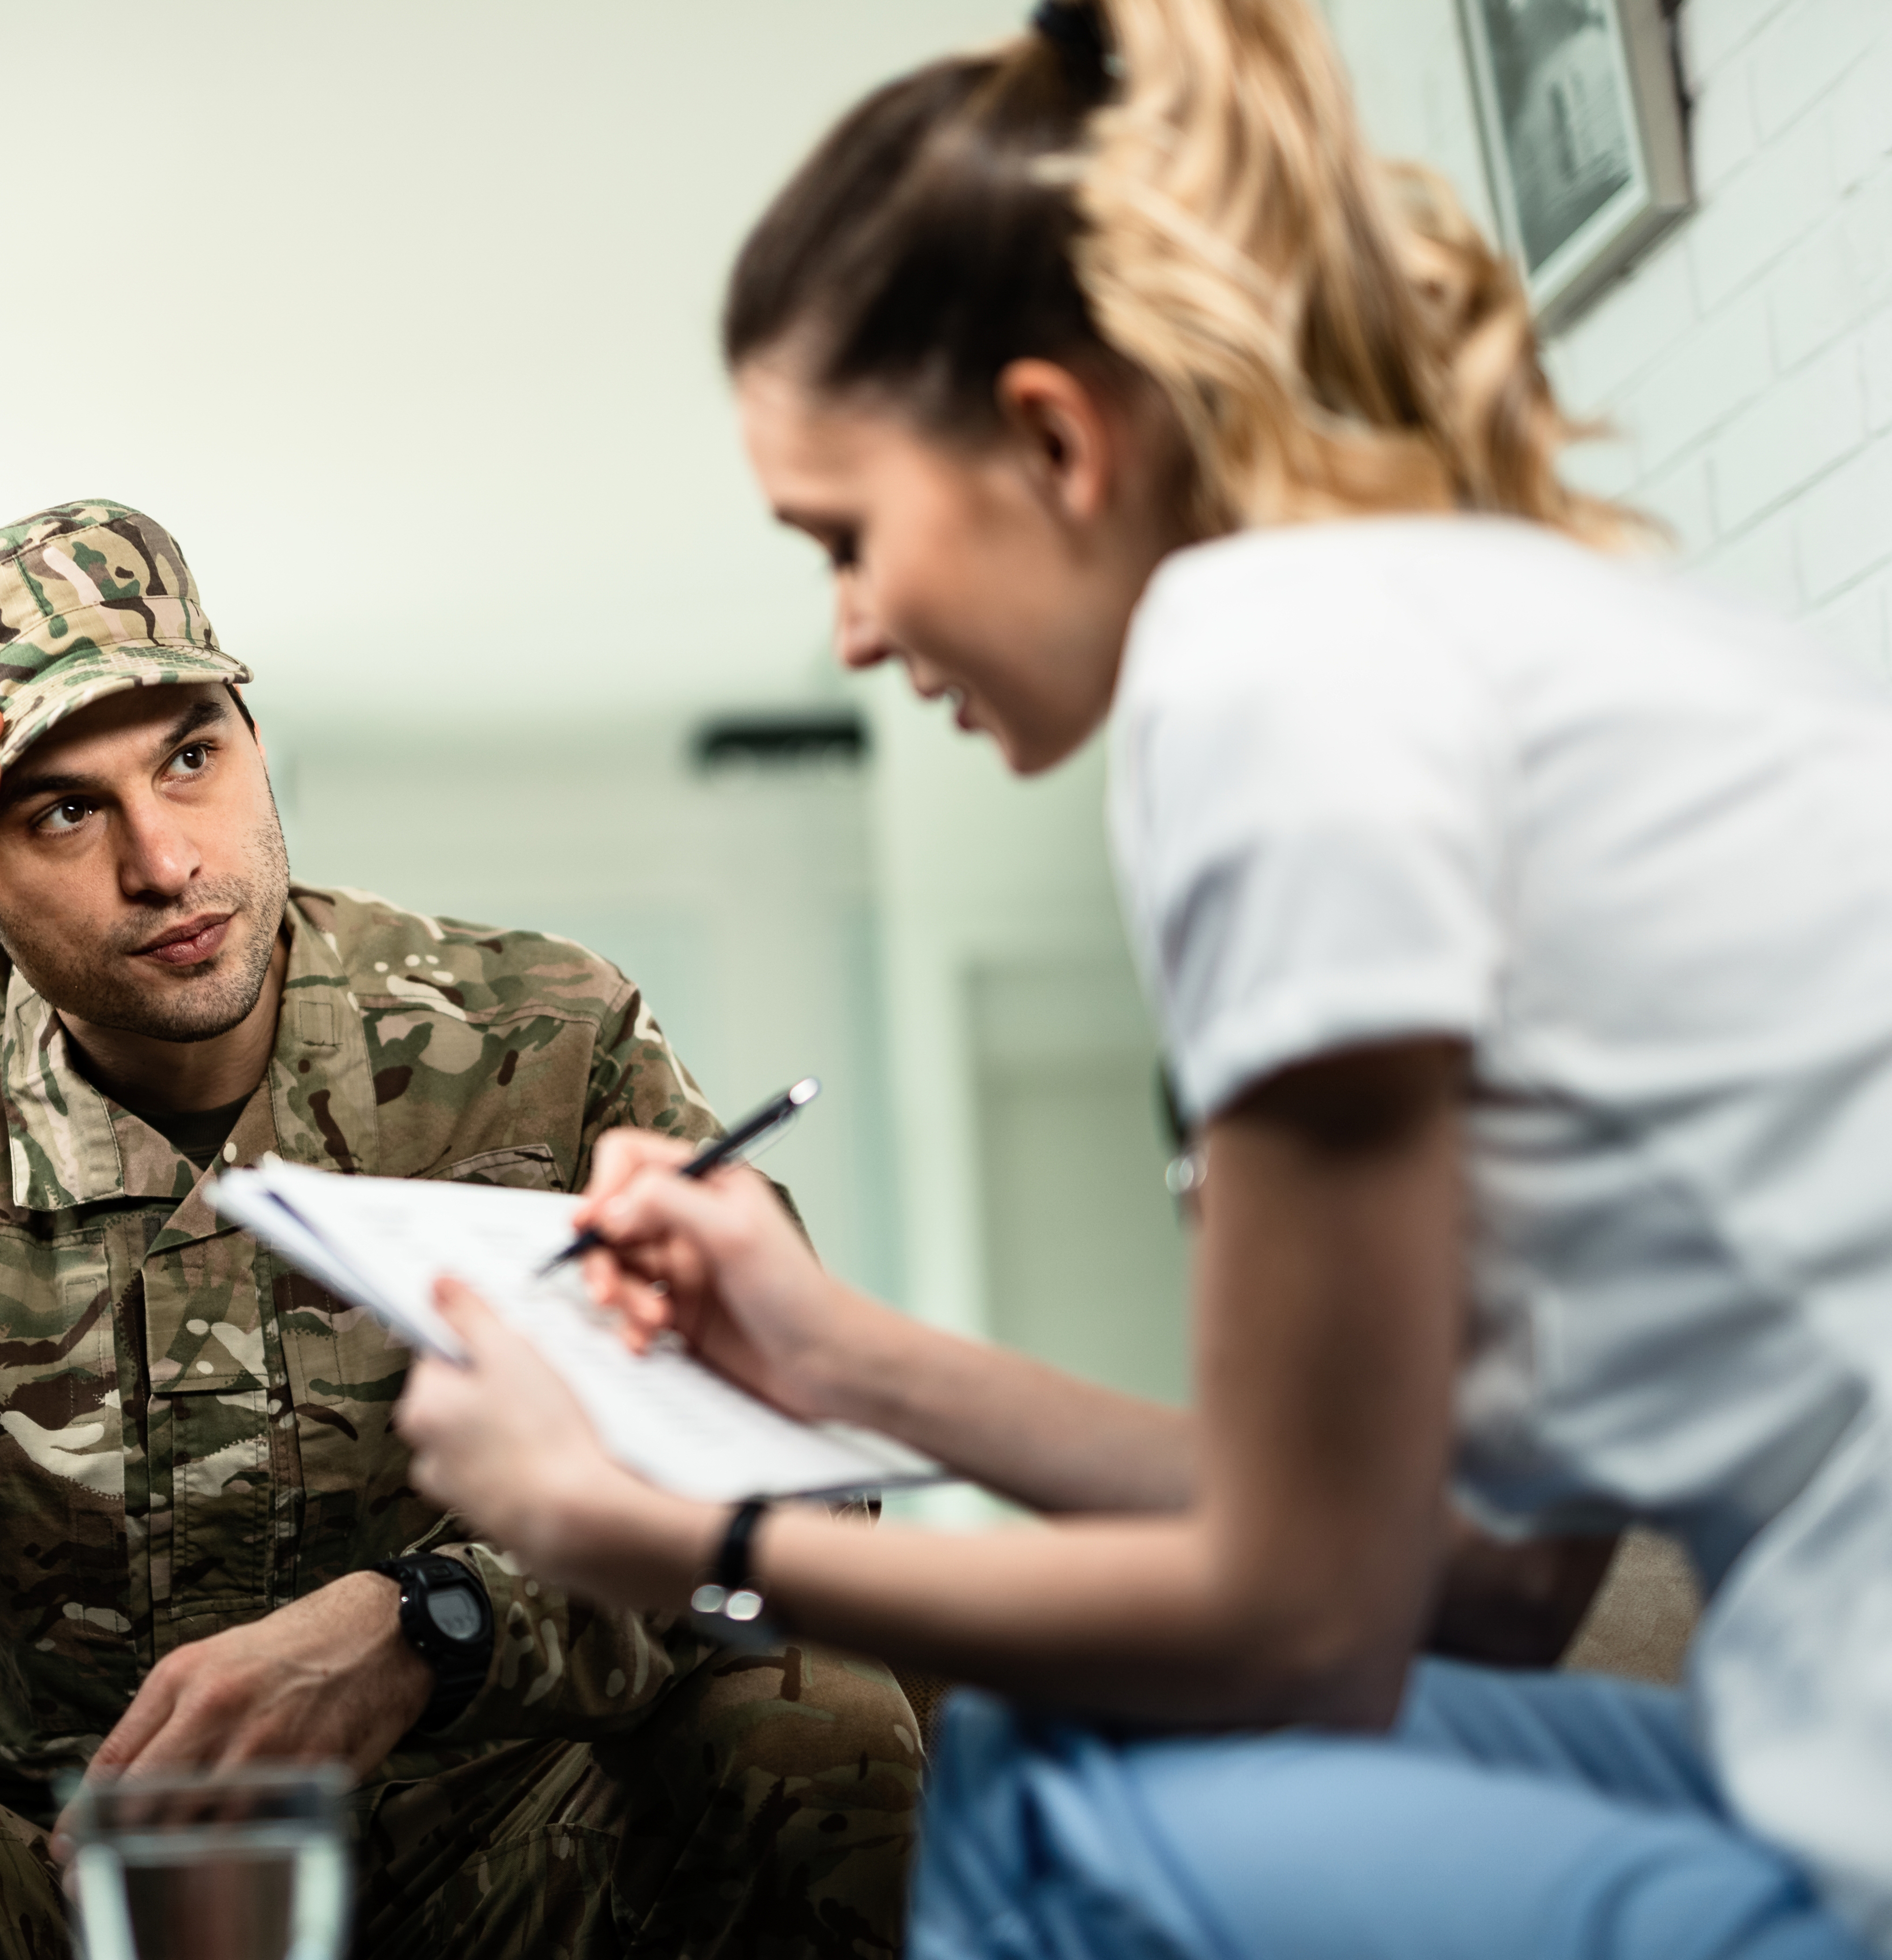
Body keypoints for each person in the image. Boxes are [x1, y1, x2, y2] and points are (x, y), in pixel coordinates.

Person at [390, 0, 1892, 1953]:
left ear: (1050, 436)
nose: (846, 631)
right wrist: (836, 1356)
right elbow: (1472, 1576)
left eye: (844, 537)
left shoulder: (1264, 672)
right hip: (1817, 1756)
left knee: (1057, 1777)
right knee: (1066, 1749)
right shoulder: (1457, 620)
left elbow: (1306, 1614)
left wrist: (651, 1534)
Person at [0, 500, 921, 1960]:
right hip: (32, 1892)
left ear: (249, 731)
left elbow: (803, 1487)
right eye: (64, 807)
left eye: (190, 756)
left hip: (492, 1864)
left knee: (819, 1720)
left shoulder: (543, 1042)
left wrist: (433, 1628)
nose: (167, 861)